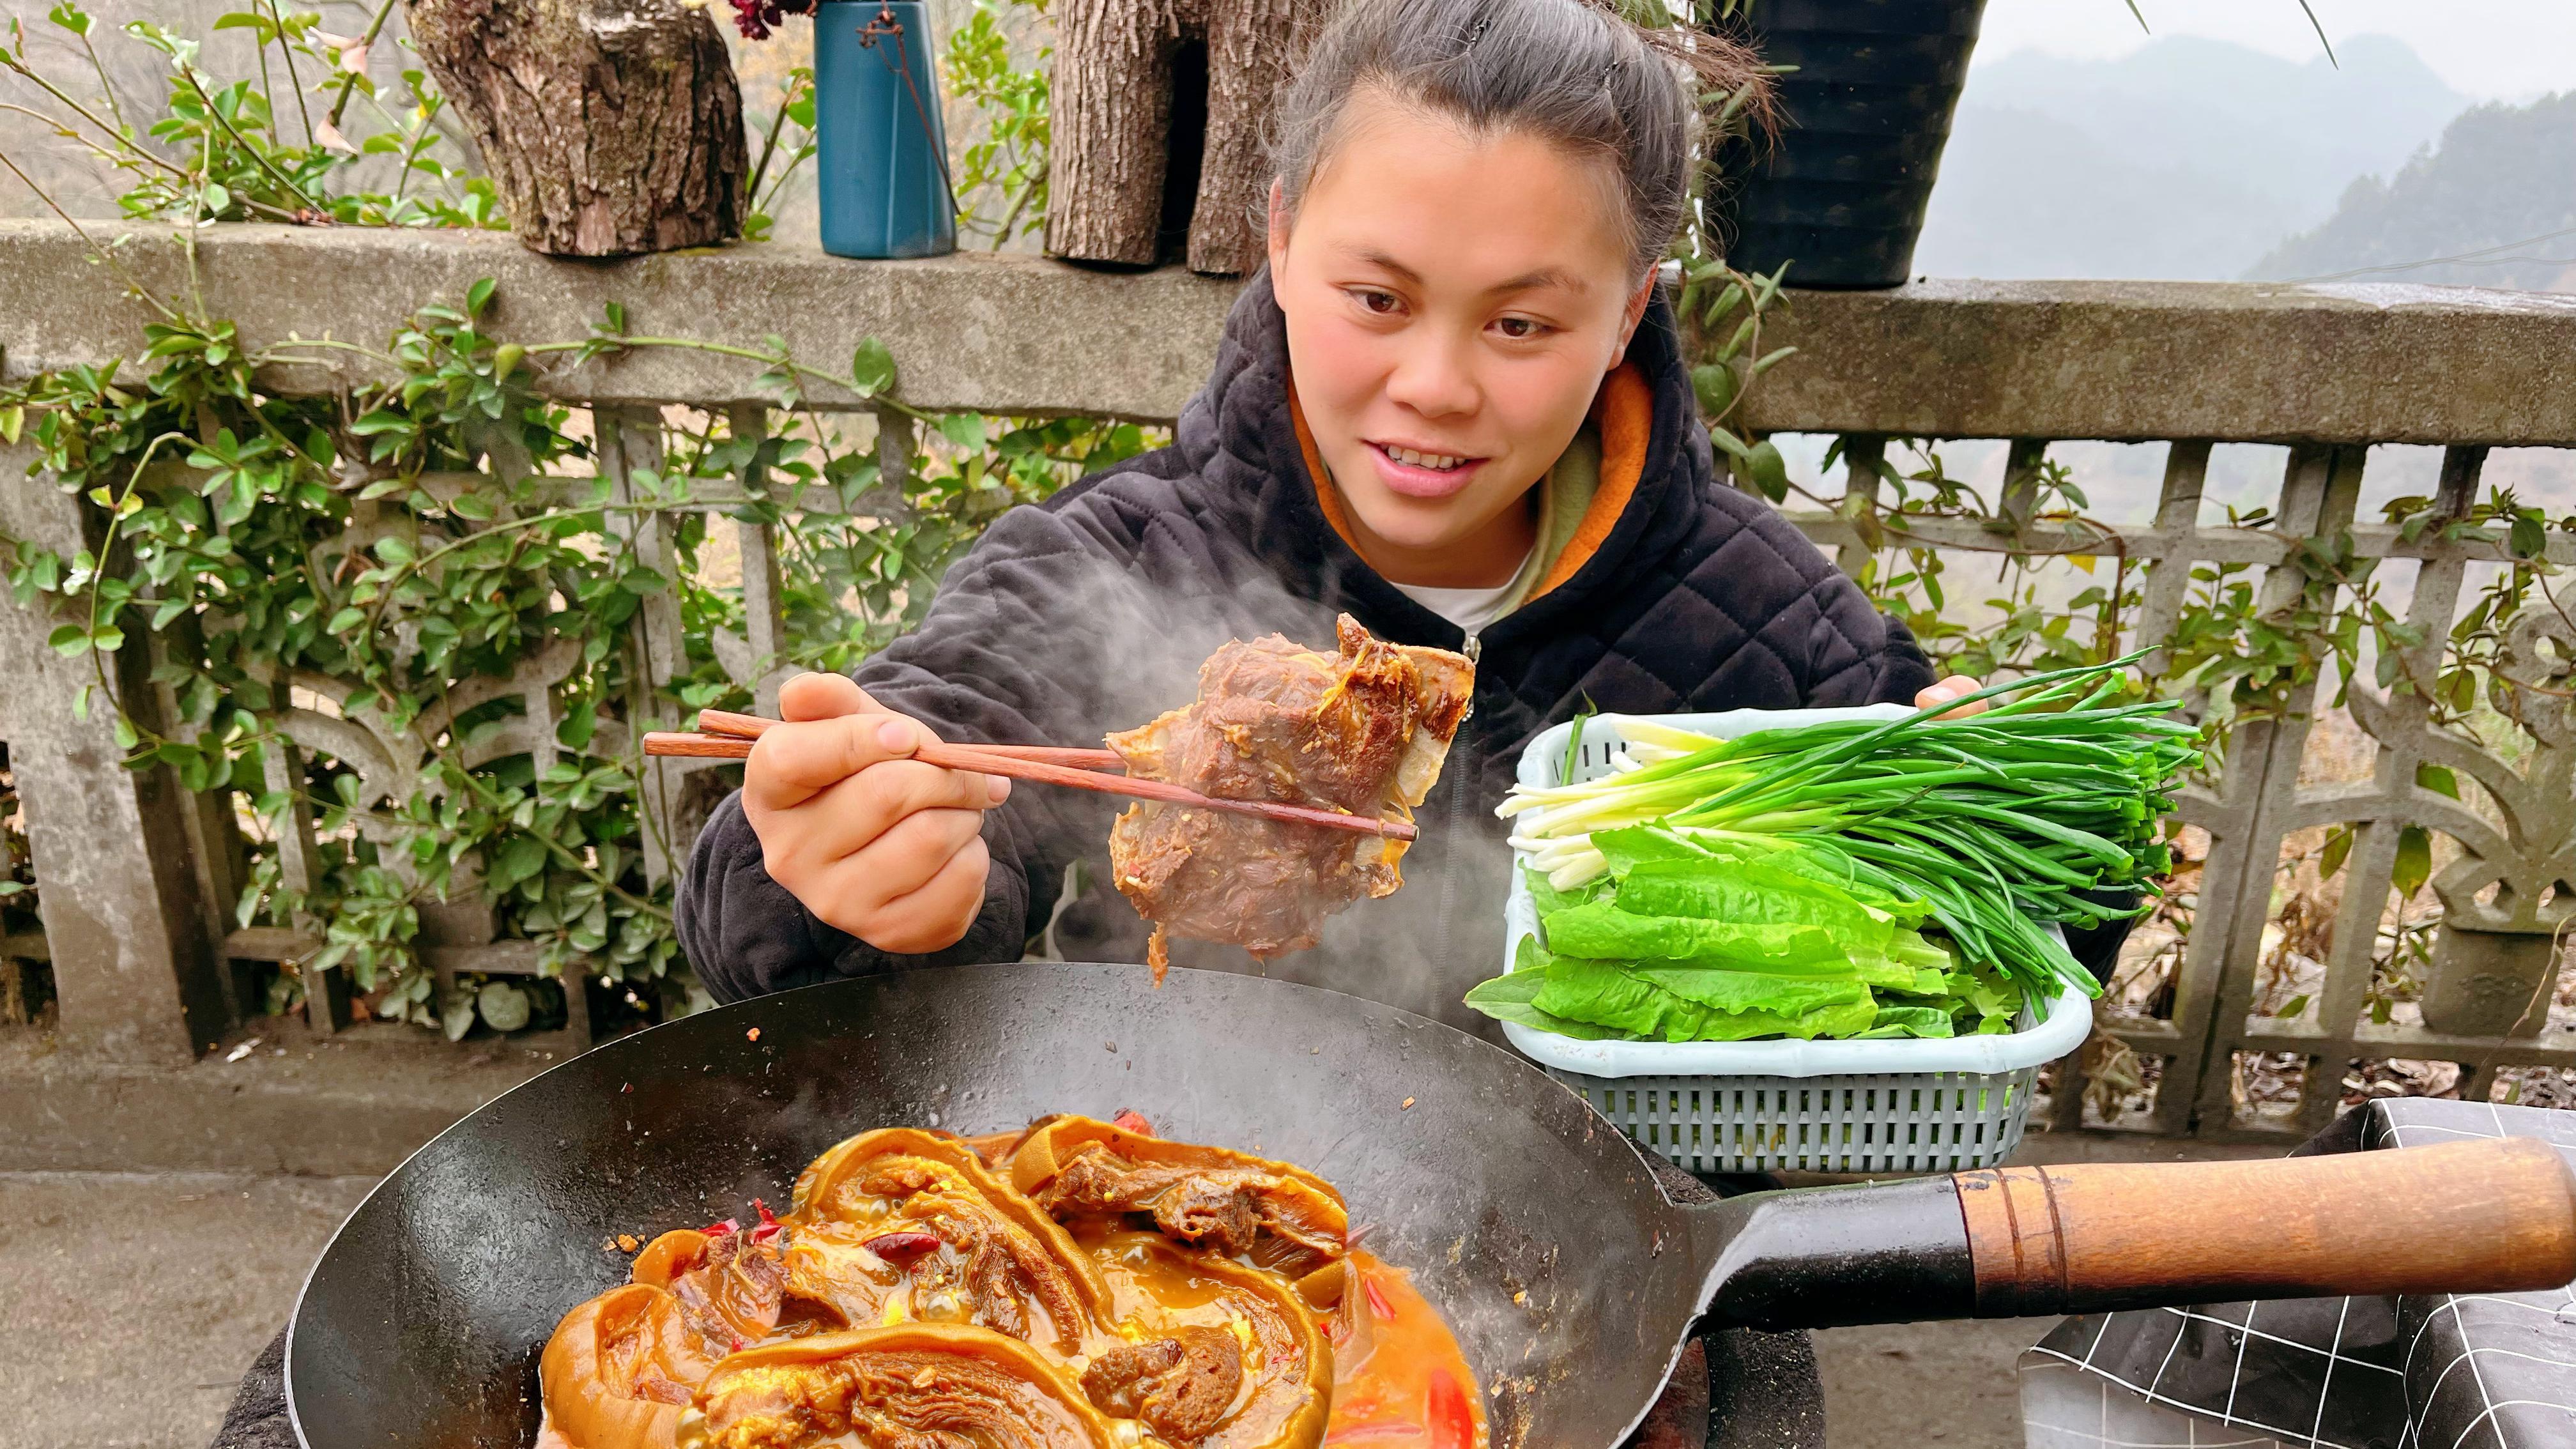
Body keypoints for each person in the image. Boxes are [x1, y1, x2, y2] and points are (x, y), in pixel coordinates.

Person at [677, 0, 1983, 1029]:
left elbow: (1983, 950)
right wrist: (829, 872)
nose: (1435, 387)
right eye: (1378, 298)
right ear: (1284, 244)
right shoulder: (1120, 565)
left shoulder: (1777, 629)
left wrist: (2009, 834)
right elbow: (914, 765)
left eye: (1522, 322)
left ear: (1629, 312)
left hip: (1654, 1275)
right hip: (1171, 1265)